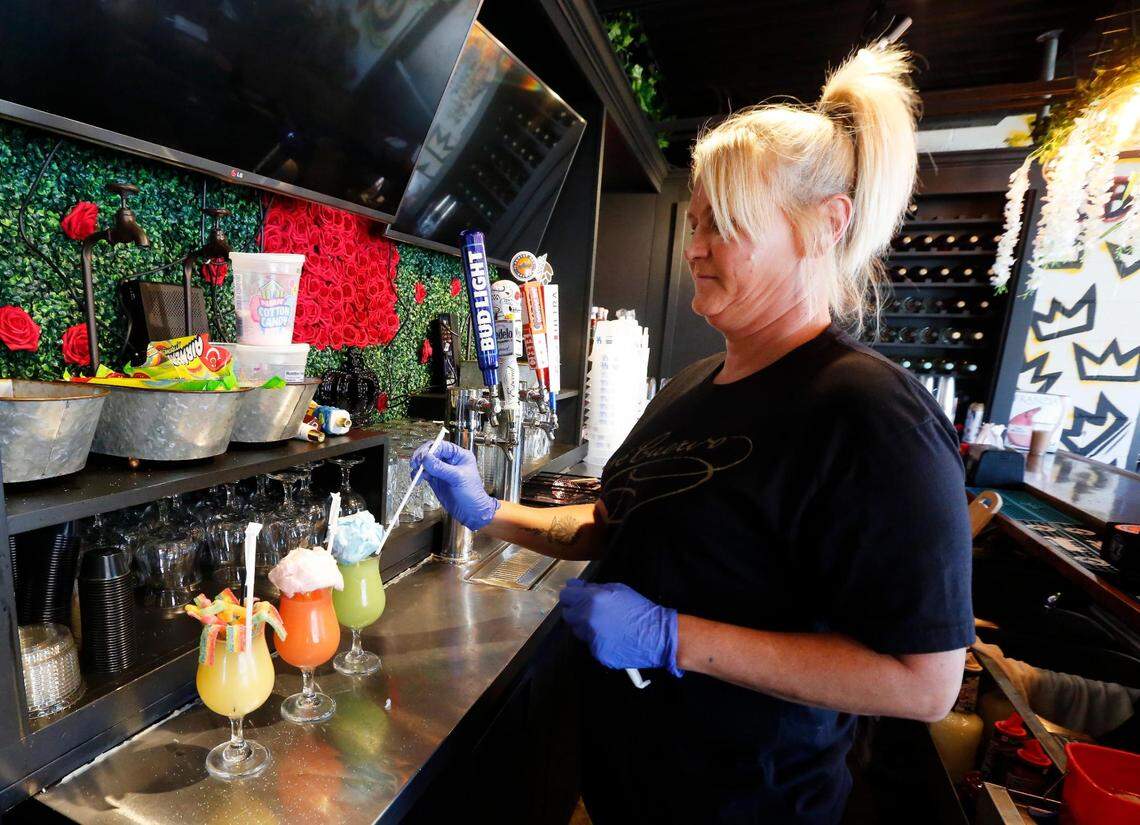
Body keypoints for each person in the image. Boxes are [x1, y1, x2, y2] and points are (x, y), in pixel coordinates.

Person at [413, 44, 973, 825]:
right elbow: (611, 526)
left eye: (728, 224)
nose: (696, 247)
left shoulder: (871, 414)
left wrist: (673, 637)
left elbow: (925, 682)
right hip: (623, 795)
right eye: (699, 221)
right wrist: (487, 510)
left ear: (824, 225)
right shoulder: (690, 386)